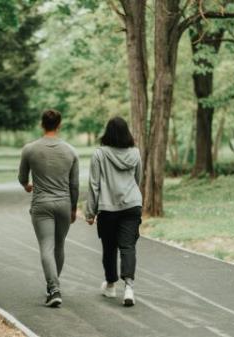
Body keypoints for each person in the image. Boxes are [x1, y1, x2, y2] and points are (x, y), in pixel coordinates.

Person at [18, 109, 79, 308]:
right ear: (59, 125)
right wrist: (73, 209)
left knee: (47, 246)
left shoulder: (29, 149)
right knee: (59, 246)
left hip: (41, 205)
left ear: (41, 124)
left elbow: (22, 178)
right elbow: (74, 185)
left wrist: (27, 186)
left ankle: (53, 288)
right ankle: (53, 286)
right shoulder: (71, 151)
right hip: (63, 203)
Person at [85, 117, 142, 307]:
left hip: (108, 208)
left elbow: (94, 185)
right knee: (128, 246)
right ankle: (129, 288)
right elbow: (138, 178)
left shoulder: (99, 154)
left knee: (109, 247)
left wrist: (90, 212)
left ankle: (110, 285)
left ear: (107, 133)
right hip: (132, 205)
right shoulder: (135, 153)